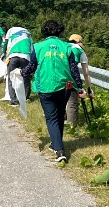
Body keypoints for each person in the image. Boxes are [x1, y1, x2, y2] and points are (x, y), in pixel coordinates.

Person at [33, 20, 84, 164]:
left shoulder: (37, 47)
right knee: (60, 115)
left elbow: (31, 66)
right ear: (60, 31)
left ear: (44, 32)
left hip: (45, 86)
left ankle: (59, 150)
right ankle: (55, 144)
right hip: (65, 86)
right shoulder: (67, 47)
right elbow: (74, 70)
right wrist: (79, 87)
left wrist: (21, 72)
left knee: (51, 118)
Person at [66, 34, 94, 125]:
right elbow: (86, 73)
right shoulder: (79, 50)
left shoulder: (63, 46)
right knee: (72, 101)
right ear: (79, 42)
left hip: (58, 75)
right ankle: (72, 126)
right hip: (71, 77)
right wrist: (89, 88)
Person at [3, 26, 34, 106]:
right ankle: (26, 97)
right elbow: (32, 50)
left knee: (11, 78)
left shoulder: (12, 36)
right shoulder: (29, 37)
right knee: (26, 77)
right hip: (25, 56)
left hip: (13, 56)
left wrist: (5, 56)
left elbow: (7, 47)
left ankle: (14, 100)